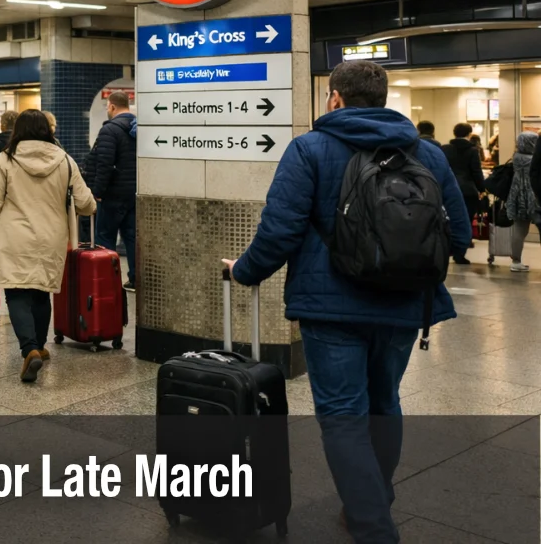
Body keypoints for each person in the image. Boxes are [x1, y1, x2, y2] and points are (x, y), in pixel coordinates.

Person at [223, 61, 469, 544]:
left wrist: (243, 271)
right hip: (404, 307)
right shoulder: (427, 155)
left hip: (330, 308)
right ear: (382, 97)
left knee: (342, 417)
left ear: (334, 97)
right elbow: (458, 234)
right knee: (384, 404)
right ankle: (374, 499)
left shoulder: (310, 149)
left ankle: (374, 526)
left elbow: (279, 232)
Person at [0, 110, 96, 383]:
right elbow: (86, 203)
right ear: (48, 130)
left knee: (17, 292)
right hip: (50, 238)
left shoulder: (5, 159)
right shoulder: (65, 160)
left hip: (13, 236)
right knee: (42, 292)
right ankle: (40, 346)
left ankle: (29, 349)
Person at [85, 91, 138, 291]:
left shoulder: (110, 130)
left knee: (105, 236)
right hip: (132, 194)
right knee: (131, 237)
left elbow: (104, 165)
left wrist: (97, 191)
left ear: (112, 106)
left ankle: (106, 279)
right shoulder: (138, 128)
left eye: (108, 106)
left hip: (112, 195)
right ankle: (134, 279)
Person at [442, 123, 485, 265]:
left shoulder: (445, 149)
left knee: (447, 220)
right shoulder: (473, 150)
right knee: (465, 221)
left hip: (448, 189)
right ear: (469, 133)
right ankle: (460, 253)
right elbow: (476, 172)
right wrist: (482, 189)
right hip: (468, 190)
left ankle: (444, 249)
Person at [506, 131, 539, 273]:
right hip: (534, 195)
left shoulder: (516, 157)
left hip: (517, 195)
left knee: (520, 230)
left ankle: (516, 261)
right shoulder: (534, 159)